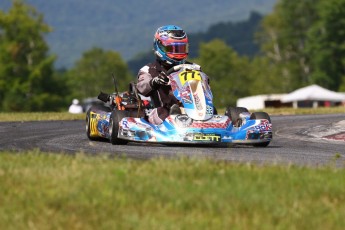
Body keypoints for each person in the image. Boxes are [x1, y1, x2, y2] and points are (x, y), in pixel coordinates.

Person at [136, 25, 199, 125]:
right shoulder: (149, 70)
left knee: (211, 110)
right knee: (164, 112)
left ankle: (197, 118)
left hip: (192, 110)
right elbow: (141, 88)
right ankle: (176, 116)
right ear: (160, 47)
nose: (178, 53)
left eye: (181, 48)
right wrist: (154, 82)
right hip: (161, 112)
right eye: (172, 49)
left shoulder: (192, 67)